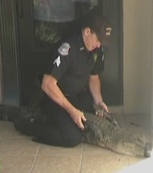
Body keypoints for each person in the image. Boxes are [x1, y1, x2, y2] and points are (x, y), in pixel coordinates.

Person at [32, 12, 113, 147]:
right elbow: (47, 84)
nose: (99, 45)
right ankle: (35, 125)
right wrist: (72, 110)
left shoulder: (97, 50)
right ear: (87, 32)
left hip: (79, 96)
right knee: (72, 138)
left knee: (102, 122)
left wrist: (99, 102)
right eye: (98, 40)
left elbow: (94, 78)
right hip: (57, 99)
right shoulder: (67, 47)